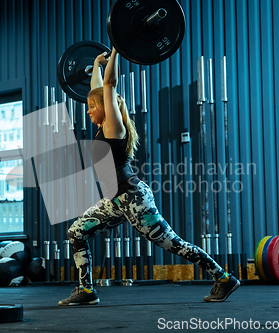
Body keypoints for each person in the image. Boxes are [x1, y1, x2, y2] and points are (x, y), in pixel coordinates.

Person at [58, 48, 239, 306]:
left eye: (91, 107)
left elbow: (108, 86)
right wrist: (97, 65)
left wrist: (118, 50)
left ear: (104, 108)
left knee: (171, 243)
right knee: (76, 232)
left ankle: (223, 277)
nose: (88, 111)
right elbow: (99, 88)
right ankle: (86, 290)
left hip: (133, 198)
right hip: (115, 201)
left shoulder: (113, 126)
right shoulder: (102, 126)